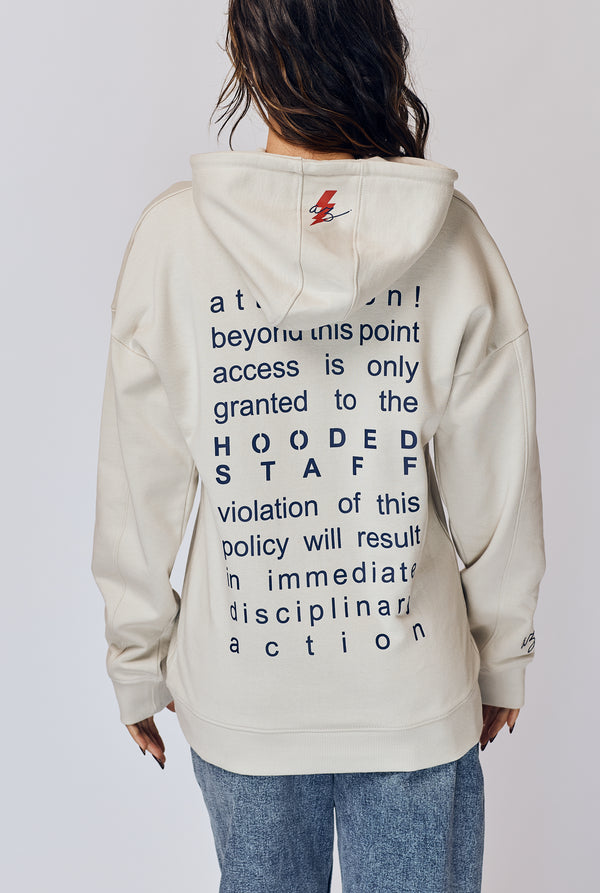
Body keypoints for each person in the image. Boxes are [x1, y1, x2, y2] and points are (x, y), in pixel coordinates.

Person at [91, 1, 546, 890]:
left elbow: (137, 487)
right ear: (377, 47)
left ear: (244, 54)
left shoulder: (173, 242)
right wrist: (503, 656)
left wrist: (135, 661)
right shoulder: (450, 236)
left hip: (244, 692)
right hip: (412, 690)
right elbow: (499, 483)